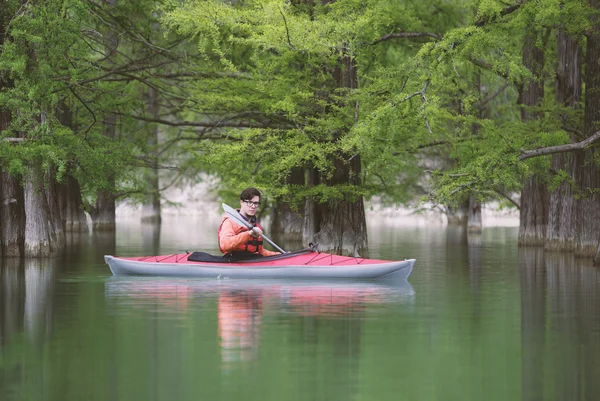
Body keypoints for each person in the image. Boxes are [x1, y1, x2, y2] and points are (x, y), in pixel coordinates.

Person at [218, 187, 281, 259]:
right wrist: (249, 234)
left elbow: (260, 252)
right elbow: (225, 244)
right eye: (250, 202)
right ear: (241, 202)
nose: (253, 206)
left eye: (256, 203)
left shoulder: (256, 226)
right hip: (234, 260)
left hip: (252, 260)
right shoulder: (230, 222)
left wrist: (281, 255)